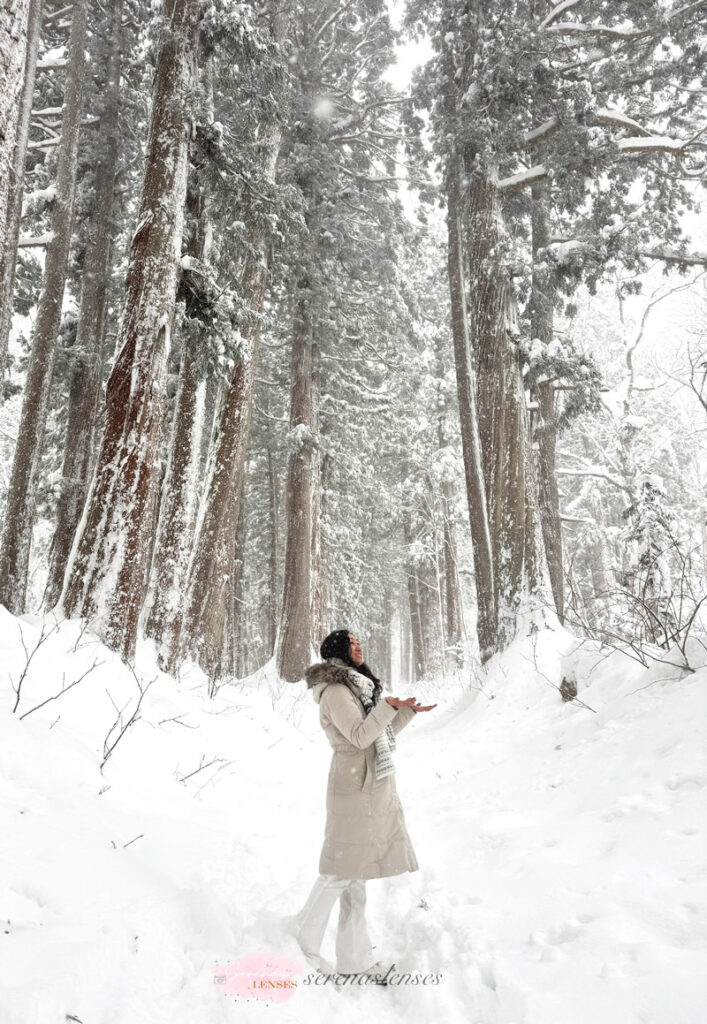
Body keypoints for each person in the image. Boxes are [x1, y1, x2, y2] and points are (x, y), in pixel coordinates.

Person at [289, 629, 436, 981]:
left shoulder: (356, 688)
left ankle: (355, 961)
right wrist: (388, 708)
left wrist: (404, 712)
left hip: (367, 784)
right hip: (352, 785)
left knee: (356, 878)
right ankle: (301, 939)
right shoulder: (336, 692)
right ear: (339, 651)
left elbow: (377, 735)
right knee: (341, 871)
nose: (359, 646)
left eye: (359, 642)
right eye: (352, 643)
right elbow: (358, 738)